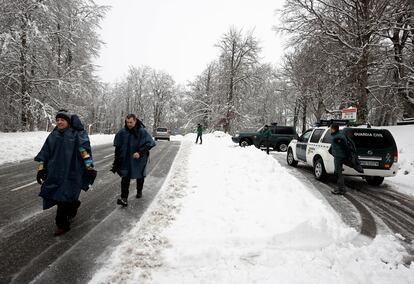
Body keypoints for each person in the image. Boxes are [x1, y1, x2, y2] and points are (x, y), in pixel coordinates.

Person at [35, 110, 97, 236]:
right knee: (57, 196)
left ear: (68, 122)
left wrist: (89, 168)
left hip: (72, 172)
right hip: (55, 172)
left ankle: (62, 225)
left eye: (62, 120)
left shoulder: (77, 135)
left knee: (63, 197)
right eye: (57, 120)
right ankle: (73, 205)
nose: (59, 122)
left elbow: (84, 152)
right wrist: (40, 168)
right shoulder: (53, 135)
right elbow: (45, 153)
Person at [111, 114, 156, 207]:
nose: (129, 124)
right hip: (126, 160)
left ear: (135, 121)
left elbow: (150, 144)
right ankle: (124, 199)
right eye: (127, 122)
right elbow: (118, 147)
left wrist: (140, 152)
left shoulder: (142, 131)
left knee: (139, 176)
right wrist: (116, 160)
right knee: (125, 177)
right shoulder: (122, 132)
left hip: (139, 159)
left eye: (131, 122)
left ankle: (139, 190)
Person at [329, 123, 349, 195]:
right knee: (338, 172)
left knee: (338, 173)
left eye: (331, 129)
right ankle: (341, 188)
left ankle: (341, 189)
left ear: (334, 129)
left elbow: (344, 146)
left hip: (339, 157)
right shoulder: (337, 135)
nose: (330, 130)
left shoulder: (338, 137)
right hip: (338, 156)